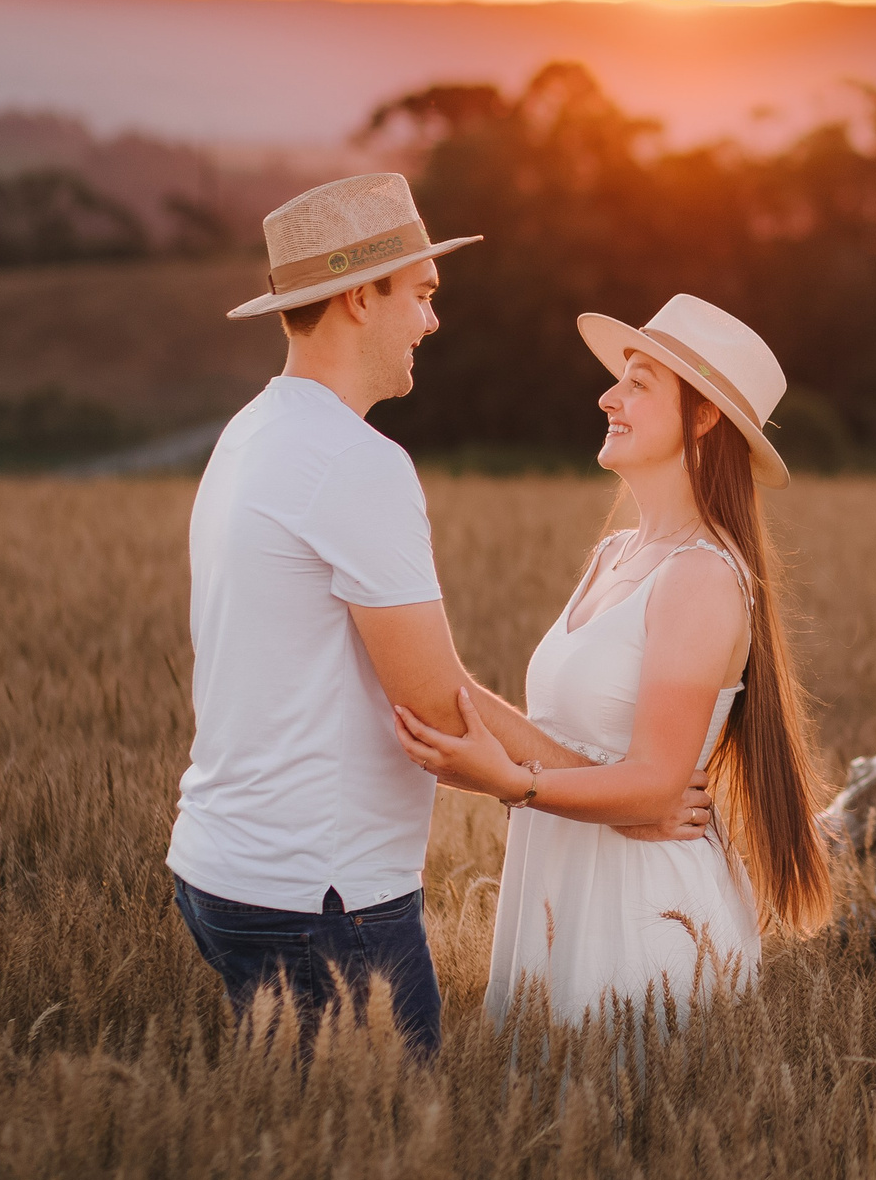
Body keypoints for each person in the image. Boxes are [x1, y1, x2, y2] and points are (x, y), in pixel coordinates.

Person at [166, 173, 712, 1059]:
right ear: (356, 297)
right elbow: (433, 702)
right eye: (421, 295)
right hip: (322, 893)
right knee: (381, 1171)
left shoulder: (253, 431)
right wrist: (620, 801)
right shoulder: (356, 463)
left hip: (225, 867)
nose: (431, 321)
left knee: (301, 1157)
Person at [393, 294, 832, 1026]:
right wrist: (460, 706)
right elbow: (574, 747)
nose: (607, 395)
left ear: (703, 416)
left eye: (639, 382)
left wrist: (510, 781)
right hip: (568, 889)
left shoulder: (702, 577)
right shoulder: (613, 556)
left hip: (644, 917)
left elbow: (658, 787)